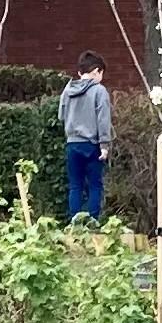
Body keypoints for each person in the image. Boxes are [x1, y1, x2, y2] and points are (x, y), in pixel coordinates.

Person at [58, 63, 111, 225]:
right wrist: (104, 144)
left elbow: (61, 116)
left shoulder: (67, 90)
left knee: (75, 185)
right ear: (96, 71)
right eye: (101, 73)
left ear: (80, 72)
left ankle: (75, 224)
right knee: (95, 185)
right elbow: (103, 119)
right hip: (92, 144)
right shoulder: (99, 90)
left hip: (72, 143)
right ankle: (92, 223)